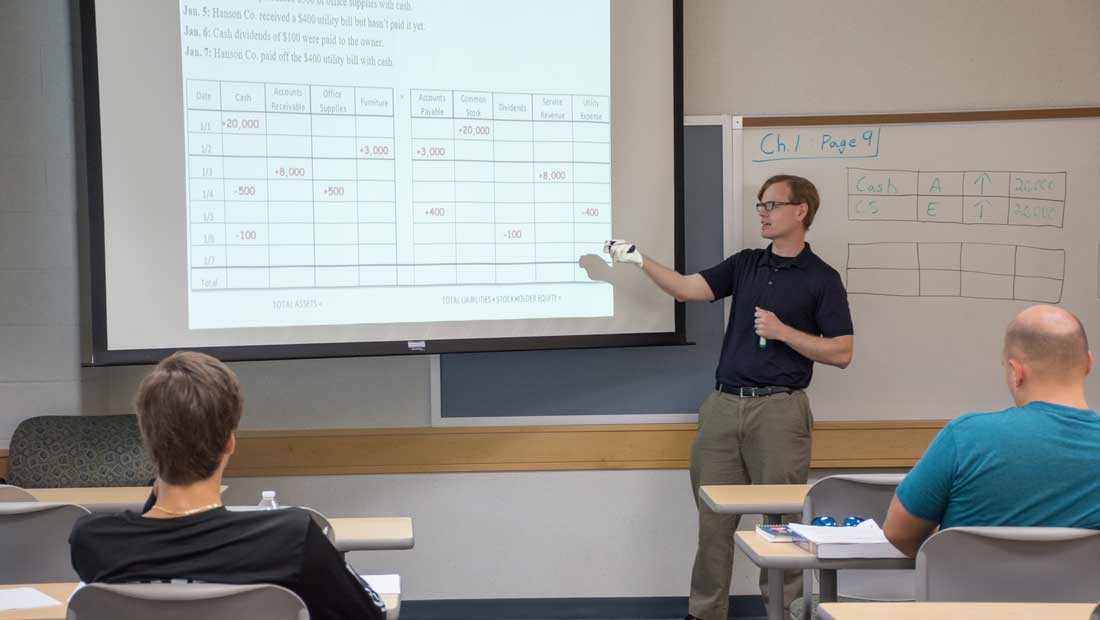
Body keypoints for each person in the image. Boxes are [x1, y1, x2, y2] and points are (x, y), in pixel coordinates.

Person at [606, 174, 854, 620]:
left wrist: (783, 332)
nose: (762, 212)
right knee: (713, 522)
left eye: (772, 204)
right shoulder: (746, 264)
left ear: (800, 211)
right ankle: (705, 613)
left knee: (782, 526)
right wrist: (638, 258)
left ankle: (785, 612)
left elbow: (842, 352)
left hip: (780, 410)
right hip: (723, 406)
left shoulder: (822, 278)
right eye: (760, 204)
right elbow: (686, 288)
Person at [69, 351, 386, 620]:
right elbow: (369, 614)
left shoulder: (94, 541)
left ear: (149, 444)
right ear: (229, 443)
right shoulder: (289, 538)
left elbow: (154, 542)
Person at [884, 304, 1100, 557]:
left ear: (1016, 372)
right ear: (1088, 363)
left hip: (967, 584)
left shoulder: (964, 437)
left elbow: (899, 533)